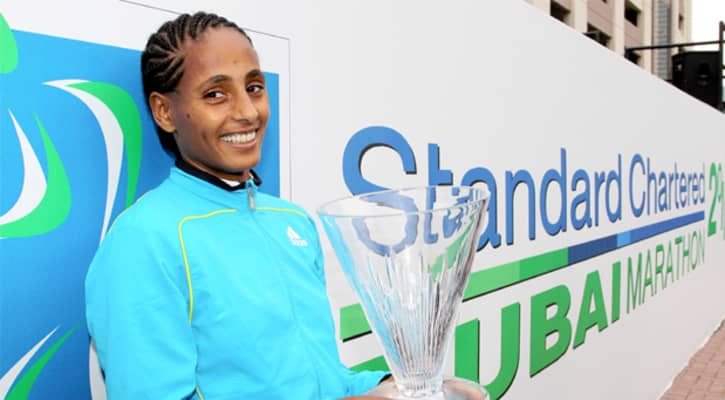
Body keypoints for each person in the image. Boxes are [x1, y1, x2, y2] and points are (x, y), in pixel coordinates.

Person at [85, 11, 390, 400]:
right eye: (216, 94)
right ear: (164, 111)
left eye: (254, 87)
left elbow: (328, 382)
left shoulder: (292, 221)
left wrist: (396, 389)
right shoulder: (144, 239)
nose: (247, 112)